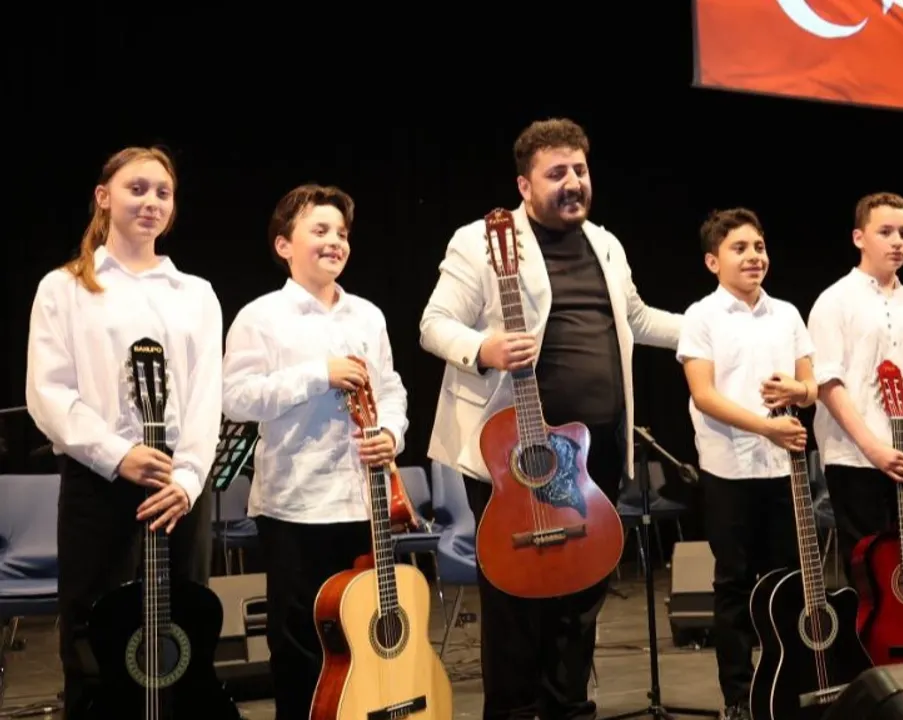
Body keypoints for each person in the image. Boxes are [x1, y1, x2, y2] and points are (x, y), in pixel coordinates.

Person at [419, 117, 682, 719]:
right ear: (524, 184)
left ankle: (570, 708)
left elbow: (638, 319)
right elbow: (434, 324)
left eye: (580, 170)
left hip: (593, 453)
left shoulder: (606, 244)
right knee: (515, 598)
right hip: (513, 454)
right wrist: (483, 348)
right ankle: (513, 712)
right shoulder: (479, 241)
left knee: (581, 593)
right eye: (556, 173)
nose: (573, 183)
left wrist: (714, 331)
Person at [24, 146, 224, 716]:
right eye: (137, 189)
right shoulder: (64, 288)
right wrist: (117, 455)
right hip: (99, 482)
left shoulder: (196, 294)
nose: (151, 202)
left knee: (181, 639)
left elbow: (207, 395)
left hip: (178, 488)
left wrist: (188, 479)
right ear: (103, 197)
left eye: (163, 192)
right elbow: (48, 392)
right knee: (93, 639)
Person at [221, 184, 409, 720]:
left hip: (364, 503)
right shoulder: (261, 316)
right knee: (302, 648)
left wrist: (391, 433)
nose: (335, 242)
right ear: (284, 245)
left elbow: (391, 388)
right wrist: (316, 374)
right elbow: (235, 397)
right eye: (320, 230)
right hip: (296, 506)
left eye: (342, 233)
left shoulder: (367, 315)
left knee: (366, 637)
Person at [676, 208, 814, 720]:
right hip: (729, 470)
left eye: (759, 246)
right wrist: (766, 427)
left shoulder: (787, 314)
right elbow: (704, 394)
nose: (754, 256)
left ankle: (789, 684)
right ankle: (738, 695)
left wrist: (798, 389)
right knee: (733, 583)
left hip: (783, 469)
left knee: (786, 582)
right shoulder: (701, 316)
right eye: (740, 248)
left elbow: (812, 385)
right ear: (713, 261)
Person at [807, 192, 903, 583]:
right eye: (885, 232)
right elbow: (827, 383)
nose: (897, 242)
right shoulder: (834, 301)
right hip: (854, 457)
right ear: (859, 238)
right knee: (869, 573)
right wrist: (874, 449)